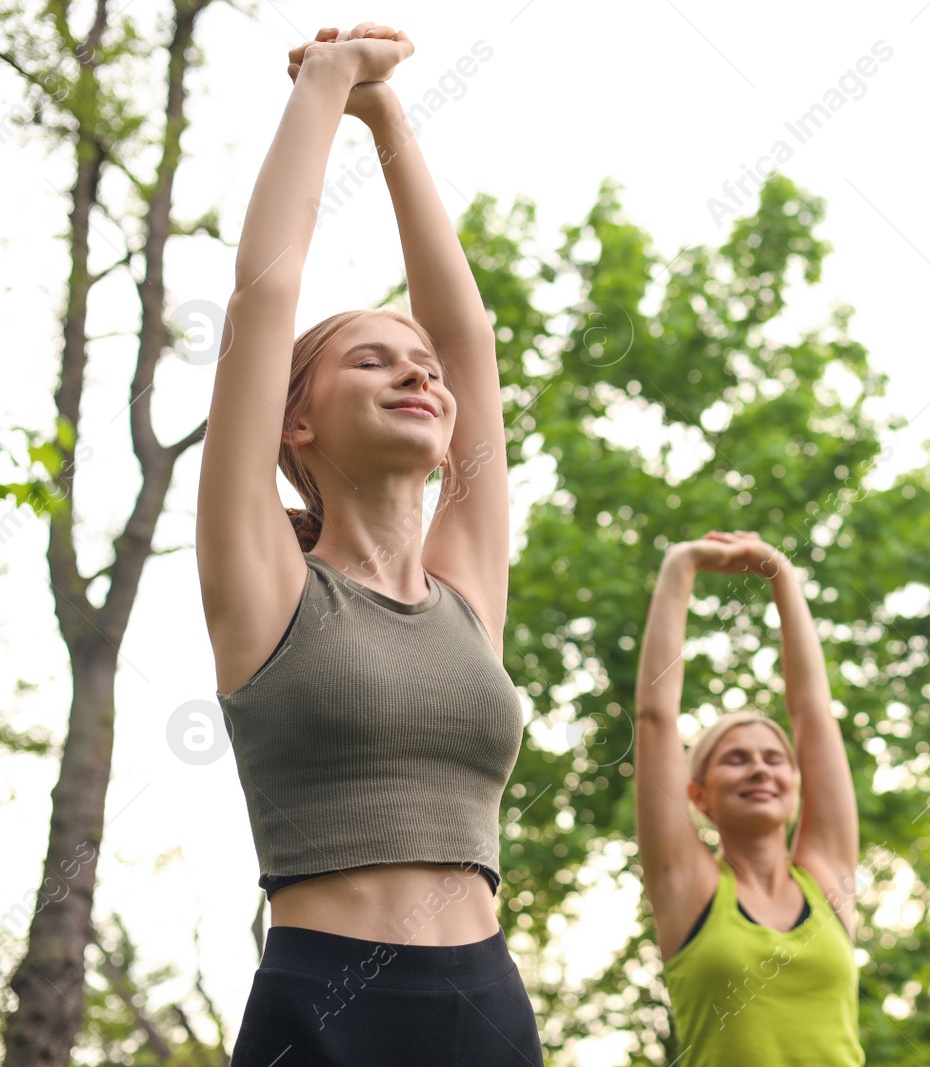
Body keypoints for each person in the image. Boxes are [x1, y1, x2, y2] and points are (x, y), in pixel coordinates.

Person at [196, 23, 541, 1065]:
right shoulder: (268, 585)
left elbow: (468, 337)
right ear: (294, 423)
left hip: (487, 1003)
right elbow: (264, 300)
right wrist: (328, 87)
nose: (418, 374)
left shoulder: (466, 590)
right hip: (323, 1011)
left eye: (421, 366)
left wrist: (389, 115)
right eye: (371, 362)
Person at [633, 531, 865, 1066]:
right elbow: (656, 718)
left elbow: (812, 714)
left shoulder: (828, 877)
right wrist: (681, 564)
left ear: (795, 783)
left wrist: (782, 575)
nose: (760, 766)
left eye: (774, 758)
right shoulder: (687, 886)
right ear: (699, 795)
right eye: (735, 758)